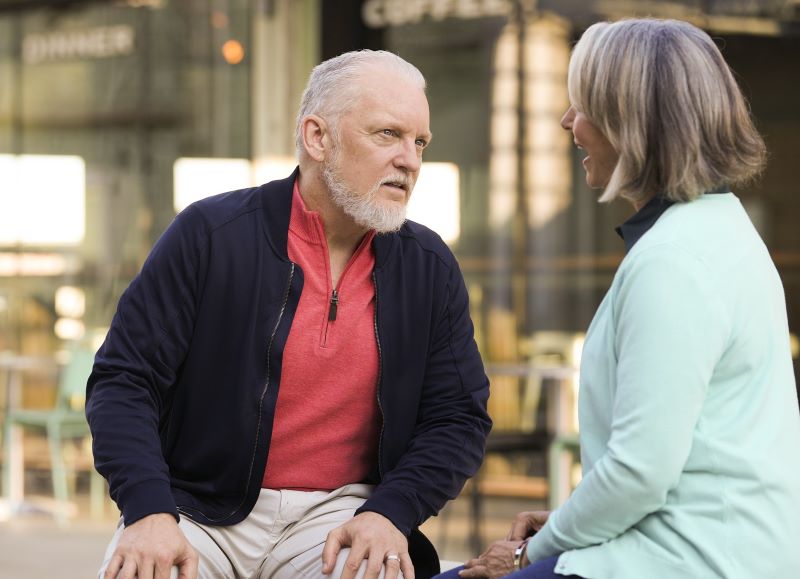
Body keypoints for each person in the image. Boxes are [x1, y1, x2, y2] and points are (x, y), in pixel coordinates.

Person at [86, 49, 492, 579]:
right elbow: (124, 380)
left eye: (419, 142)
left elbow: (457, 417)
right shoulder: (210, 236)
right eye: (387, 134)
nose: (410, 160)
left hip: (340, 515)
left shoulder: (429, 266)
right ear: (317, 138)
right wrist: (147, 508)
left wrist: (391, 512)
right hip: (196, 509)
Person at [436, 18, 800, 579]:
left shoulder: (674, 260)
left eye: (580, 105)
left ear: (631, 123)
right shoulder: (718, 232)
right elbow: (689, 459)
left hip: (685, 563)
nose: (566, 122)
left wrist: (528, 551)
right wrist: (565, 523)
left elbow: (640, 472)